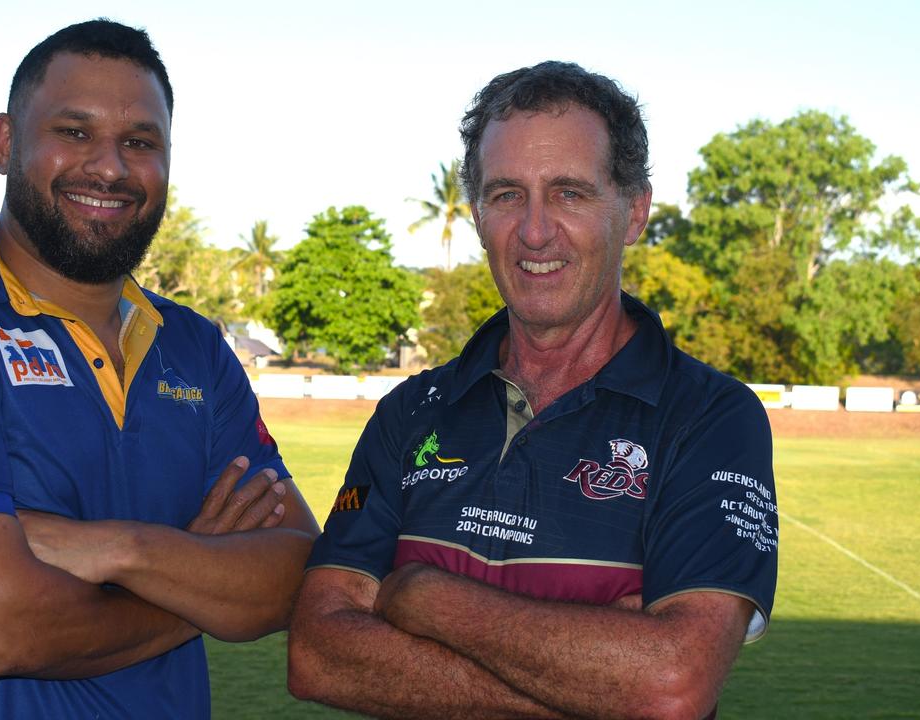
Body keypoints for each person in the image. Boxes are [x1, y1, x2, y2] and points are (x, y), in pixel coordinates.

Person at [0, 19, 318, 719]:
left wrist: (117, 549)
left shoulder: (196, 350)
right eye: (73, 132)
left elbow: (299, 574)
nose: (110, 167)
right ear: (5, 141)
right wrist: (202, 588)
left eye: (140, 142)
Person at [288, 61, 777, 719]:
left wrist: (425, 598)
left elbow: (672, 684)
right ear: (478, 213)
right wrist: (595, 684)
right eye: (507, 194)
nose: (536, 230)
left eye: (570, 193)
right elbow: (317, 654)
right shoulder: (410, 413)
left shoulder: (710, 417)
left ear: (633, 212)